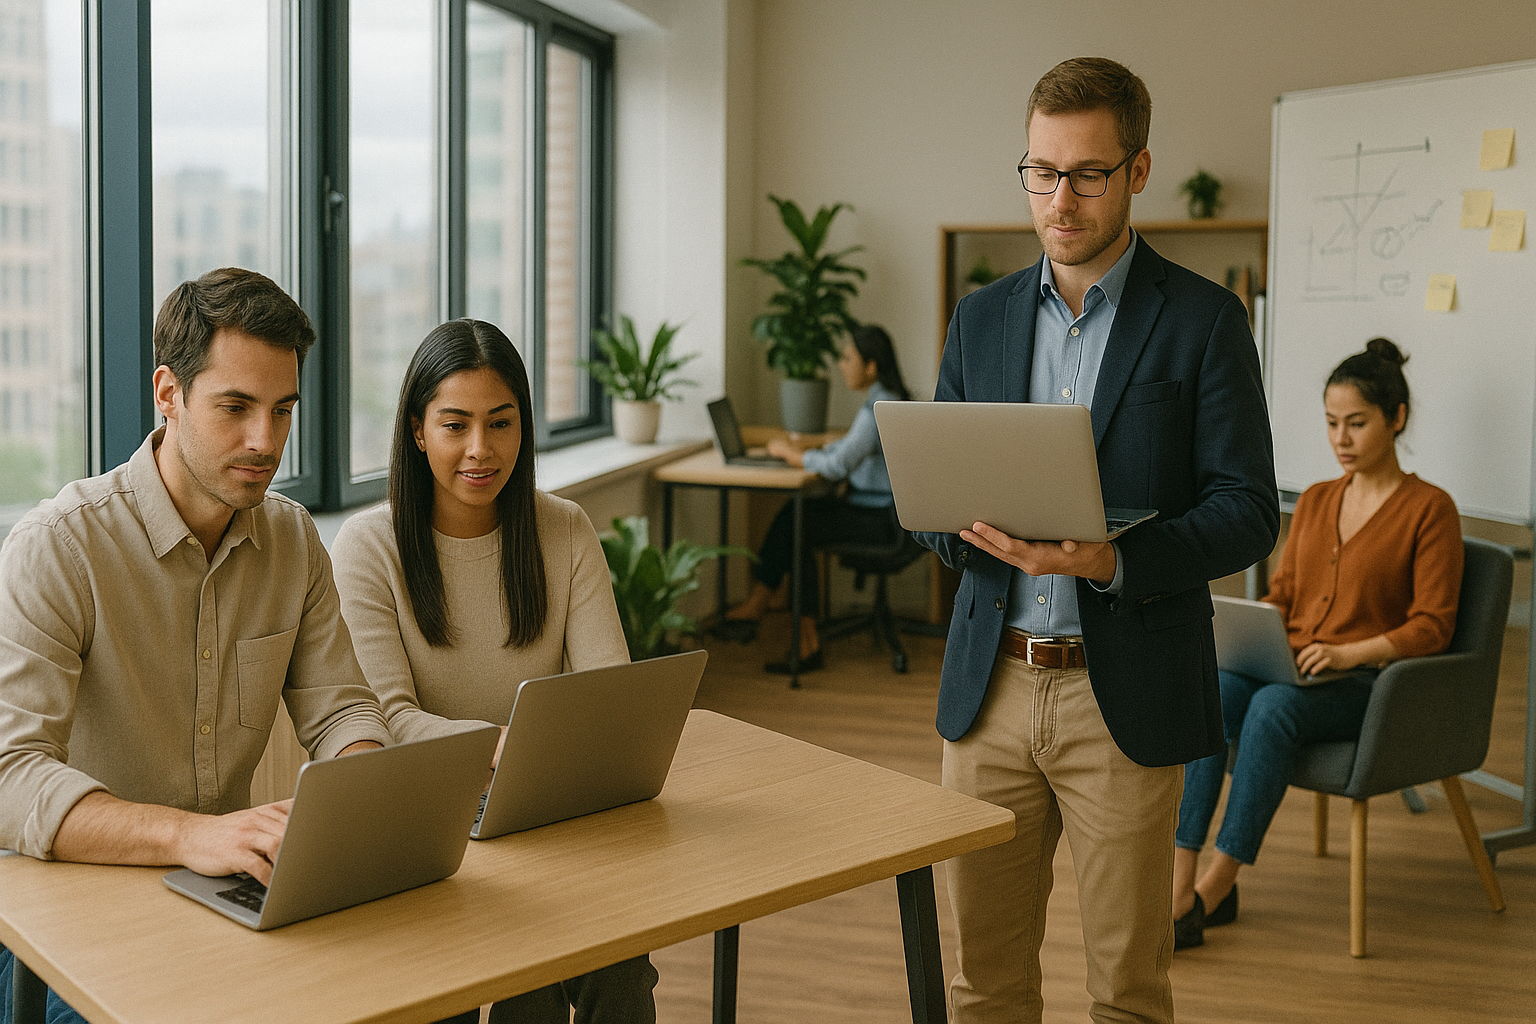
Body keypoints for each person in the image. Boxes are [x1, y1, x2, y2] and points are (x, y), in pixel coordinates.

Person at [913, 57, 1279, 1024]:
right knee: (982, 986)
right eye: (1041, 171)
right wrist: (955, 522)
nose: (1059, 199)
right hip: (987, 691)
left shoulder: (1204, 320)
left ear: (1138, 171)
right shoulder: (980, 317)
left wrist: (1114, 559)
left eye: (1087, 174)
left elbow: (1248, 508)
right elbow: (931, 501)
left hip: (1123, 697)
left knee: (1126, 990)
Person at [0, 268, 392, 1024]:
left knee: (415, 980)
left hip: (225, 891)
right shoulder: (59, 548)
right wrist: (193, 835)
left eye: (283, 410)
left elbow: (340, 709)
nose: (265, 441)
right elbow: (9, 777)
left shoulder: (292, 539)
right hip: (74, 916)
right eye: (236, 408)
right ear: (168, 393)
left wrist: (364, 807)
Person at [331, 318, 657, 1024]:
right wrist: (502, 743)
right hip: (428, 825)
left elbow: (609, 695)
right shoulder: (369, 545)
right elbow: (385, 717)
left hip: (547, 818)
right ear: (418, 431)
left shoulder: (563, 528)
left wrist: (530, 761)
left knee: (620, 968)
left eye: (501, 424)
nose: (481, 450)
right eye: (455, 425)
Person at [1172, 338, 1462, 949]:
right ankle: (1177, 883)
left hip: (1365, 684)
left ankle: (1218, 888)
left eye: (1356, 424)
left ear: (1396, 418)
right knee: (1214, 691)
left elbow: (1433, 625)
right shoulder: (1316, 500)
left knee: (1272, 711)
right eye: (1332, 424)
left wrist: (1350, 654)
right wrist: (1252, 627)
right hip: (1293, 662)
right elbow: (1284, 595)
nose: (1341, 439)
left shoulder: (1430, 510)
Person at [722, 324, 911, 673]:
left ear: (871, 366)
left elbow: (839, 466)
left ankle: (785, 622)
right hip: (886, 514)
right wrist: (811, 447)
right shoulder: (886, 400)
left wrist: (793, 456)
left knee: (799, 522)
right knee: (799, 515)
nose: (841, 365)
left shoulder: (877, 410)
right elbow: (849, 447)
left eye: (847, 357)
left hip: (881, 522)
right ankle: (779, 611)